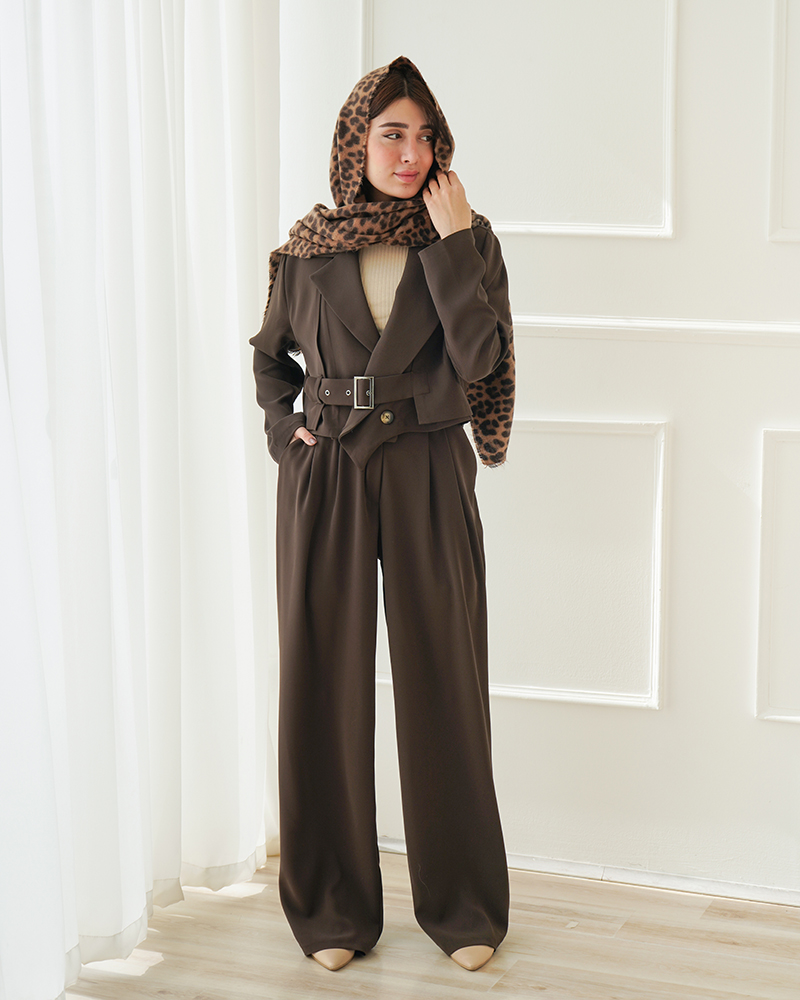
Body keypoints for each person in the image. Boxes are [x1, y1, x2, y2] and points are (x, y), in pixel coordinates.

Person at [250, 56, 515, 973]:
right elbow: (270, 361)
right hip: (327, 473)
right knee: (321, 684)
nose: (409, 154)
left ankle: (465, 907)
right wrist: (288, 437)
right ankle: (331, 911)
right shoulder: (306, 249)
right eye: (391, 134)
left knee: (446, 681)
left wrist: (453, 242)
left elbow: (482, 362)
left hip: (428, 468)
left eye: (424, 137)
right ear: (355, 142)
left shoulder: (468, 240)